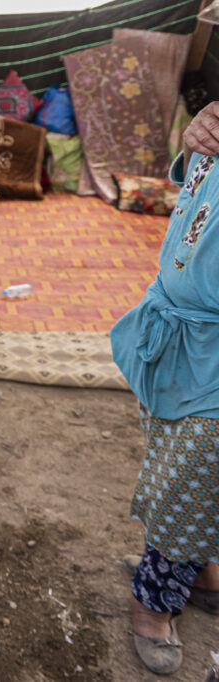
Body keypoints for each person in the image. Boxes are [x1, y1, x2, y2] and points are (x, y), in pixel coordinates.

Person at [111, 99, 219, 675]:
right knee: (176, 457)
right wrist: (191, 137)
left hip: (213, 348)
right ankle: (194, 570)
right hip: (177, 331)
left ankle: (153, 600)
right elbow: (194, 176)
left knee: (194, 476)